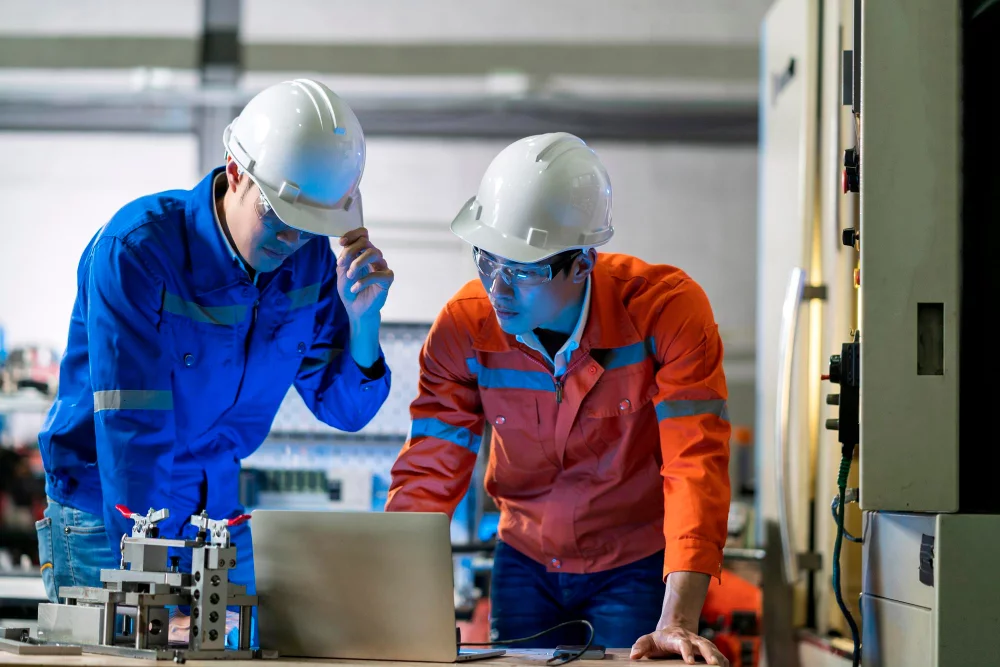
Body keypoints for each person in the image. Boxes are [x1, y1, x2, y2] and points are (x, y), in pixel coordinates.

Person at [34, 79, 394, 626]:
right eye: (280, 216)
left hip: (217, 515)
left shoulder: (311, 262)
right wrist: (151, 592)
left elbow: (345, 409)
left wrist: (363, 322)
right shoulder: (138, 253)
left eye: (310, 227)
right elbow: (133, 432)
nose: (291, 241)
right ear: (235, 173)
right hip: (110, 512)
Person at [386, 133, 731, 665]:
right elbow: (431, 469)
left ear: (582, 264)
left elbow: (694, 465)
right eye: (486, 260)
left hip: (635, 566)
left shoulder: (666, 313)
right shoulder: (464, 328)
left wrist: (677, 619)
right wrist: (389, 598)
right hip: (524, 563)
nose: (497, 288)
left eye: (522, 271)